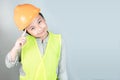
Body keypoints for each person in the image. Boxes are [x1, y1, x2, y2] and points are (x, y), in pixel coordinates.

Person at [5, 3, 68, 80]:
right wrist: (16, 48)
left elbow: (62, 71)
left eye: (39, 22)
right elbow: (9, 64)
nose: (39, 29)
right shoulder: (23, 43)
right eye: (32, 28)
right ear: (27, 32)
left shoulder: (59, 41)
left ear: (44, 19)